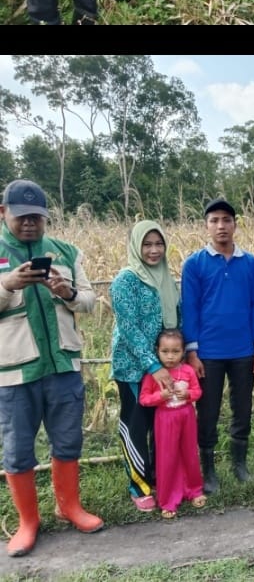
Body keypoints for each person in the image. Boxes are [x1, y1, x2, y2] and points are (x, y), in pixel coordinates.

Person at [0, 178, 103, 557]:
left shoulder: (65, 251)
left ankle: (69, 507)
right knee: (17, 449)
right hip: (14, 372)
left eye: (37, 218)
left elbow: (90, 301)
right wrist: (8, 284)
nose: (30, 224)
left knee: (68, 440)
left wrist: (68, 293)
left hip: (63, 364)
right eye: (22, 216)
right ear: (3, 213)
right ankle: (29, 522)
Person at [180, 197, 254, 492]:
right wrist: (192, 351)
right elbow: (190, 309)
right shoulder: (194, 264)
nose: (221, 226)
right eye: (214, 221)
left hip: (243, 350)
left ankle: (239, 464)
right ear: (206, 226)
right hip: (209, 354)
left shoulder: (251, 264)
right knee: (208, 411)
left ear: (235, 225)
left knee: (242, 408)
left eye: (226, 220)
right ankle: (208, 470)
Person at [110, 220, 180, 512]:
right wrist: (153, 366)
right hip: (134, 367)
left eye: (158, 244)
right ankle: (139, 485)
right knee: (136, 425)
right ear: (136, 247)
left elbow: (176, 319)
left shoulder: (166, 278)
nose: (153, 251)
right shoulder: (125, 280)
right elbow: (129, 329)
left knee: (161, 423)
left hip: (165, 363)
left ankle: (160, 477)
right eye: (147, 244)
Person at [139, 328, 206, 520]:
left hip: (186, 416)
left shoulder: (188, 371)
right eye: (165, 351)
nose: (170, 356)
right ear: (157, 351)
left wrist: (188, 395)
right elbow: (144, 399)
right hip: (165, 419)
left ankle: (194, 489)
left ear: (183, 351)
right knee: (167, 458)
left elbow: (197, 391)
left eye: (175, 351)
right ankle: (167, 499)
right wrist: (160, 396)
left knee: (190, 453)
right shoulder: (154, 375)